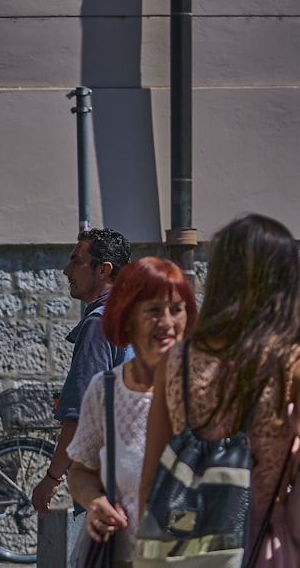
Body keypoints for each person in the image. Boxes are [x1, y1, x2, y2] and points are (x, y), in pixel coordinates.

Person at [140, 214, 300, 563]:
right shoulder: (290, 361)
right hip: (262, 543)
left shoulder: (176, 359)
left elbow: (152, 474)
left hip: (185, 543)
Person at [66, 257, 197, 566]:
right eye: (153, 310)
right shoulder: (107, 391)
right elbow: (81, 472)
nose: (166, 322)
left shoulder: (208, 391)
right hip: (124, 557)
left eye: (176, 309)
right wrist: (94, 501)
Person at [32, 227, 132, 513]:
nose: (66, 271)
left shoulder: (99, 326)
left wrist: (51, 478)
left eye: (76, 261)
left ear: (104, 270)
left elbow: (80, 418)